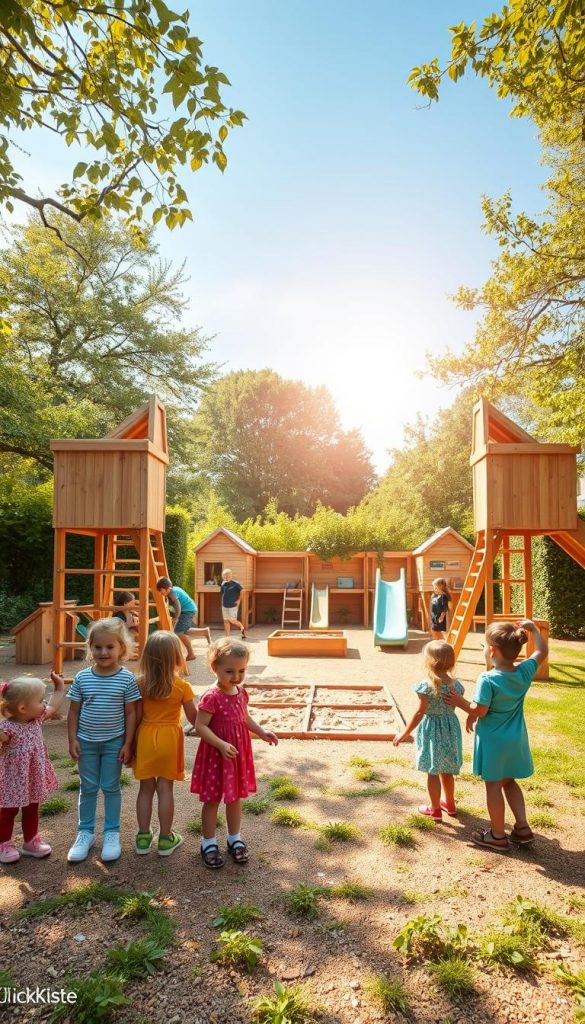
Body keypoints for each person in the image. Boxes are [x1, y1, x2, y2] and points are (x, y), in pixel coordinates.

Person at [445, 619, 548, 852]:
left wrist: (459, 702)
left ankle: (497, 836)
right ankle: (522, 828)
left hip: (493, 742)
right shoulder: (523, 671)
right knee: (509, 781)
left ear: (492, 650)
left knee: (493, 786)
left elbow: (480, 710)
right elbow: (542, 650)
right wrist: (533, 630)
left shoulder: (488, 678)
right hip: (516, 738)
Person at [191, 638, 278, 868]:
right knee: (212, 799)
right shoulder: (212, 696)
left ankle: (234, 838)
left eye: (242, 670)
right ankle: (208, 842)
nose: (237, 676)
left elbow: (244, 717)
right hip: (217, 755)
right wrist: (220, 744)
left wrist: (261, 731)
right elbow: (200, 726)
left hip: (236, 754)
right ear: (215, 668)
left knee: (234, 797)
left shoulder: (240, 692)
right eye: (230, 671)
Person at [66, 617, 141, 864]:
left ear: (121, 648)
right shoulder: (82, 677)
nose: (103, 652)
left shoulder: (126, 678)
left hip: (114, 743)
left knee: (110, 787)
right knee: (87, 788)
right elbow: (74, 711)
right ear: (90, 647)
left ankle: (112, 833)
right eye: (98, 646)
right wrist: (72, 740)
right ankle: (85, 833)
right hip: (85, 742)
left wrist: (128, 743)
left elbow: (132, 713)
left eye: (110, 647)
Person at [132, 631, 197, 856]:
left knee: (145, 789)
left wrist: (130, 744)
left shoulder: (139, 684)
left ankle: (142, 838)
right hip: (170, 738)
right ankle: (165, 839)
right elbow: (194, 719)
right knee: (165, 789)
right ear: (177, 658)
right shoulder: (182, 687)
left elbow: (136, 716)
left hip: (145, 737)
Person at [393, 640, 464, 820]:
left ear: (430, 661)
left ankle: (434, 809)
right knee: (446, 769)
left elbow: (419, 713)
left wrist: (405, 732)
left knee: (433, 770)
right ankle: (450, 803)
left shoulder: (427, 686)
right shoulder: (456, 685)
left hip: (432, 729)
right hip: (450, 728)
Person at [0, 674, 65, 864]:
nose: (44, 704)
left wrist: (60, 688)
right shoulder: (7, 728)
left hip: (33, 775)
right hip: (13, 779)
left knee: (32, 807)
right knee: (8, 810)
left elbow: (54, 705)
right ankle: (4, 844)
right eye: (40, 700)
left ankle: (30, 841)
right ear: (22, 708)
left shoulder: (37, 718)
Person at [156, 578, 197, 661]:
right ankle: (204, 632)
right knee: (183, 631)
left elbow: (178, 607)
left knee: (178, 632)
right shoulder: (172, 590)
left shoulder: (172, 593)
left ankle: (191, 654)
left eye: (161, 590)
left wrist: (176, 618)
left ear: (167, 588)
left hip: (188, 611)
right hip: (188, 609)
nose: (160, 593)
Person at [220, 569, 246, 638]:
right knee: (226, 620)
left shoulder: (236, 583)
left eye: (228, 577)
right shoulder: (223, 584)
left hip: (233, 605)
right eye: (225, 577)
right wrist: (222, 601)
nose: (226, 578)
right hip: (224, 605)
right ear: (223, 577)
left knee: (232, 620)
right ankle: (227, 637)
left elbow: (242, 590)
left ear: (231, 576)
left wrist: (239, 600)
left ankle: (241, 626)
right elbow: (223, 593)